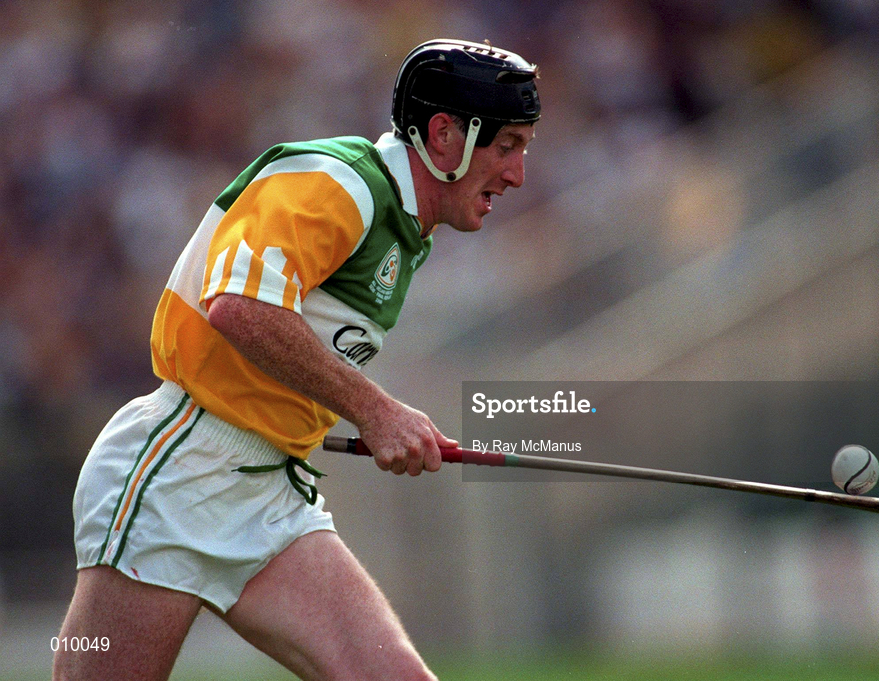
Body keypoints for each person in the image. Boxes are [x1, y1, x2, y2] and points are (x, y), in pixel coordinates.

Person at [53, 39, 541, 681]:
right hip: (179, 471)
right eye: (506, 146)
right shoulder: (341, 182)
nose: (517, 174)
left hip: (270, 493)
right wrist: (377, 410)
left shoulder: (404, 226)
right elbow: (239, 306)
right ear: (445, 135)